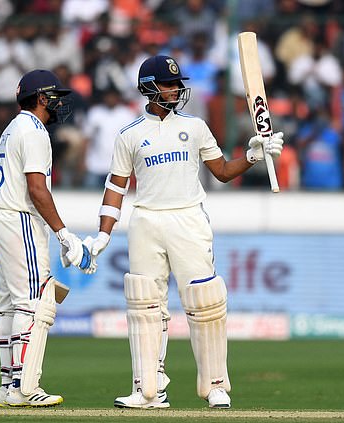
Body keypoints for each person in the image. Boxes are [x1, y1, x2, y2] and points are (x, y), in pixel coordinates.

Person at [85, 55, 284, 409]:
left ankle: (216, 385)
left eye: (178, 84)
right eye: (169, 84)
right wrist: (103, 234)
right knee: (145, 304)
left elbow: (221, 171)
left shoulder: (194, 126)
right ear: (149, 87)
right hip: (146, 220)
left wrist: (253, 156)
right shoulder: (129, 135)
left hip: (188, 217)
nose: (177, 89)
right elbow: (115, 188)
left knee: (205, 301)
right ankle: (148, 389)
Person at [0, 69, 93, 408]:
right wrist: (64, 235)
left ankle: (8, 385)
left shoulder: (12, 128)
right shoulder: (33, 130)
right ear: (42, 97)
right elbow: (37, 189)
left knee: (10, 303)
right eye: (55, 96)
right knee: (34, 302)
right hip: (20, 217)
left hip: (1, 213)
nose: (60, 102)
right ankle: (25, 386)